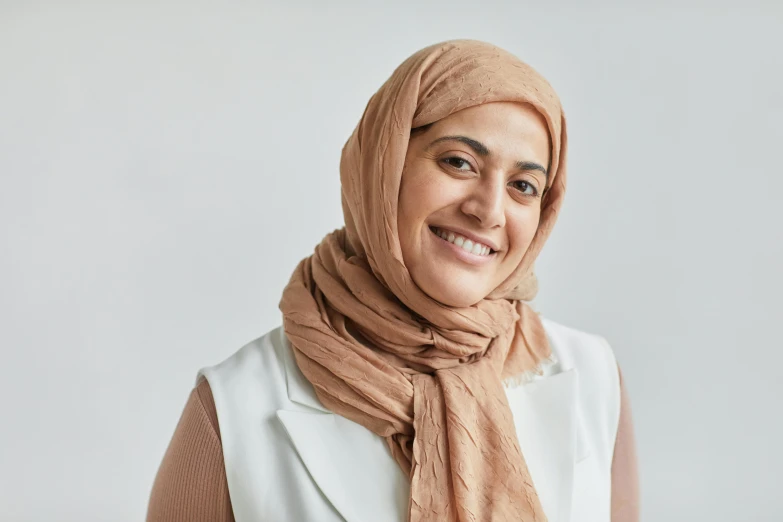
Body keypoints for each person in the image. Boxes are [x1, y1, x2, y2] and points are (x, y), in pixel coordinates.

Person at [146, 39, 639, 522]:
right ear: (385, 163)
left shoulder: (593, 376)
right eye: (458, 162)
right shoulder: (232, 407)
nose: (488, 209)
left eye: (523, 186)